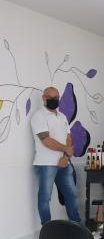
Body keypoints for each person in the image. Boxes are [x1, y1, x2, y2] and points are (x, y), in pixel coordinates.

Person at [31, 87, 81, 225]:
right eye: (51, 98)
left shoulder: (62, 116)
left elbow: (69, 137)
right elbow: (46, 140)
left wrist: (65, 157)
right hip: (45, 164)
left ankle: (77, 226)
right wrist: (66, 149)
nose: (54, 100)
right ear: (44, 98)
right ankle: (47, 228)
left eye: (56, 98)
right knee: (45, 197)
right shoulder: (38, 116)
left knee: (72, 195)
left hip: (64, 163)